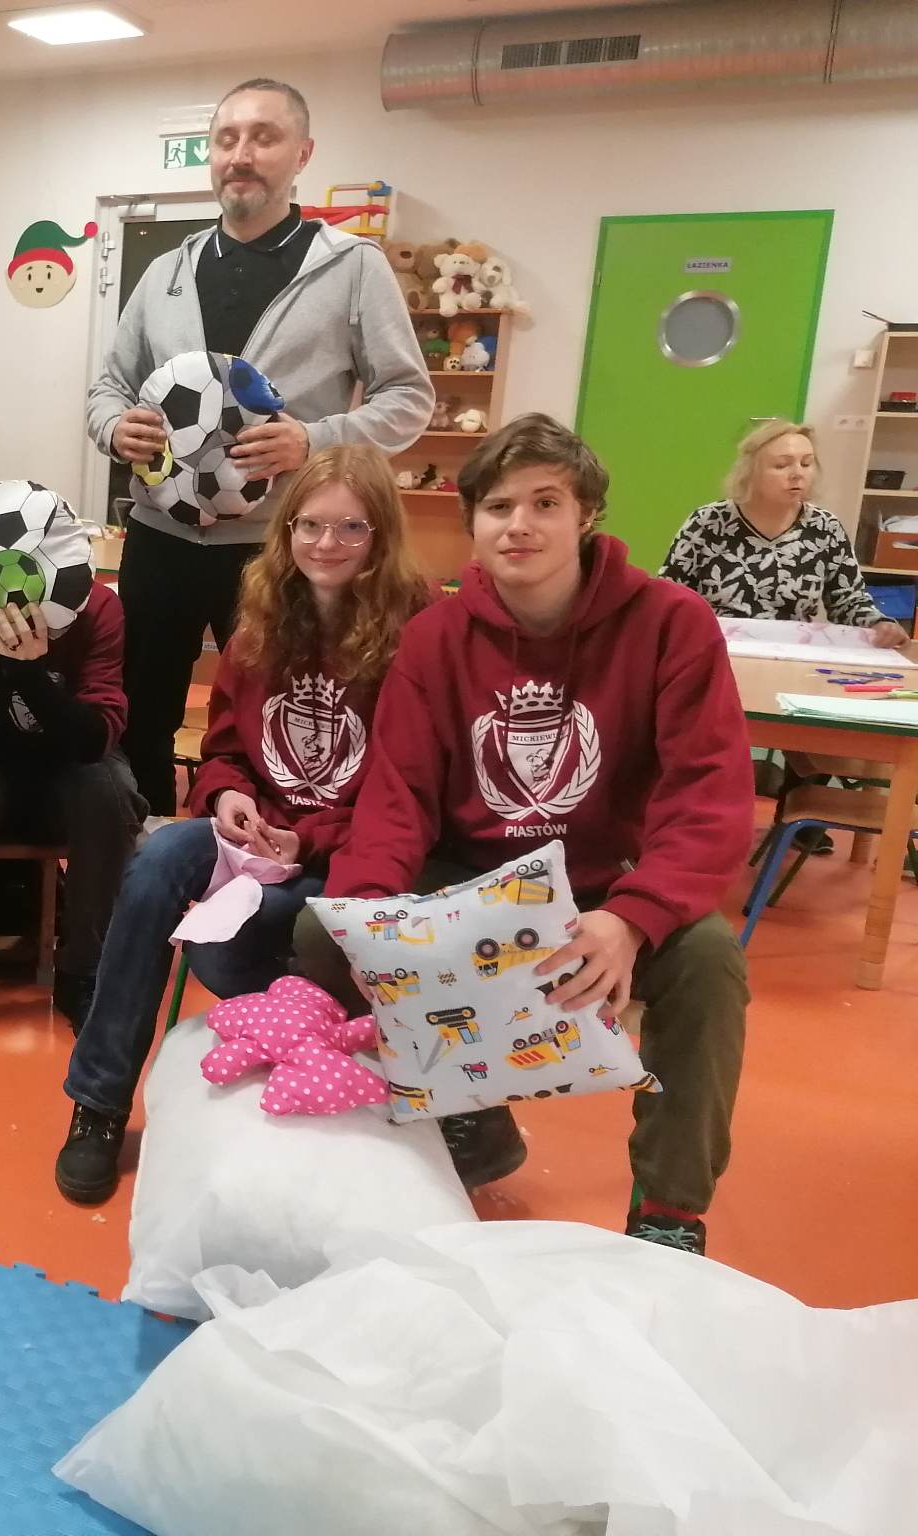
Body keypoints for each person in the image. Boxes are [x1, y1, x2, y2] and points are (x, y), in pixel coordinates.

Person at [292, 415, 754, 1256]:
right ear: (472, 522)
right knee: (325, 933)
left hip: (602, 892)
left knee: (709, 963)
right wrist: (367, 915)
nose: (520, 525)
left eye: (546, 503)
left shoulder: (672, 623)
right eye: (499, 506)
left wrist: (634, 918)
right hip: (470, 882)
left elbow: (708, 797)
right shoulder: (435, 637)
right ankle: (464, 1123)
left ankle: (669, 1212)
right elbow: (397, 800)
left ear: (587, 516)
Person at [54, 446, 432, 1203]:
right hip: (255, 838)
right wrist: (227, 795)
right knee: (158, 858)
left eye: (350, 527)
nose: (326, 543)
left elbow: (406, 793)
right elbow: (224, 749)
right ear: (286, 531)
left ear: (381, 536)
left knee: (233, 947)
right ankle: (98, 1101)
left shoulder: (415, 637)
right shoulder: (258, 622)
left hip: (346, 858)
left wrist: (309, 840)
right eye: (309, 525)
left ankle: (297, 1090)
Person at [87, 77, 434, 817]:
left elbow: (409, 398)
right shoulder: (166, 273)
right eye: (227, 139)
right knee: (141, 714)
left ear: (302, 154)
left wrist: (314, 440)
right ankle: (148, 851)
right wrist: (115, 427)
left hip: (279, 548)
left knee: (274, 720)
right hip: (159, 539)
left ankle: (271, 857)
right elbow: (107, 388)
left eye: (264, 137)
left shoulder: (352, 267)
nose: (241, 154)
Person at [0, 580, 141, 1050]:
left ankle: (84, 972)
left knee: (111, 794)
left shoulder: (97, 606)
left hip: (71, 759)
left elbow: (95, 739)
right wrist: (3, 665)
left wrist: (32, 673)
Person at [660, 419, 907, 645]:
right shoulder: (709, 521)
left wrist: (879, 623)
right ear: (751, 472)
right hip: (715, 647)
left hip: (792, 650)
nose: (797, 473)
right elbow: (668, 594)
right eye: (781, 465)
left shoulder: (825, 528)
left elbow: (848, 601)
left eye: (806, 463)